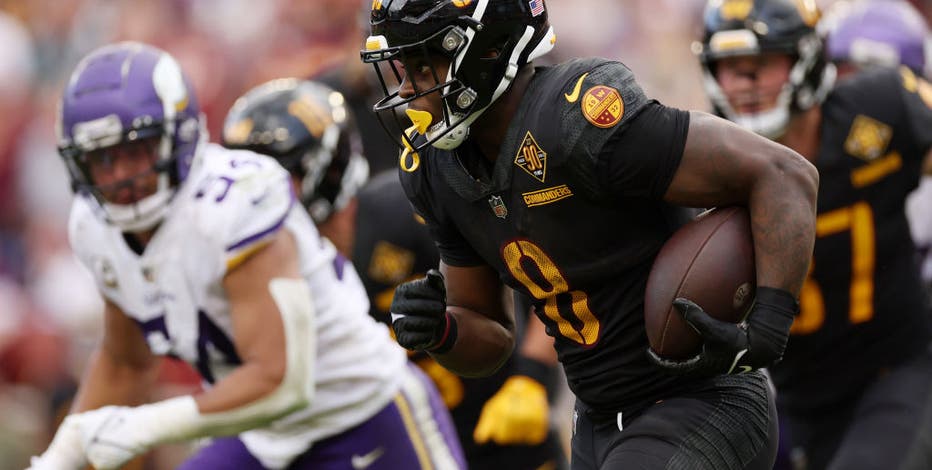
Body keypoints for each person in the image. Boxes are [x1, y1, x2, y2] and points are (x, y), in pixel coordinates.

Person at [360, 1, 819, 469]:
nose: (410, 90)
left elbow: (782, 172)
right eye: (403, 69)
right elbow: (491, 333)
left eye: (424, 65)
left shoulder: (575, 116)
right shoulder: (436, 170)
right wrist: (443, 330)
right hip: (597, 419)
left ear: (488, 49)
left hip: (697, 399)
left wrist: (767, 328)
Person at [28, 41, 465, 470]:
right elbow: (127, 362)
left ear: (178, 136)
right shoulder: (95, 225)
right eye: (103, 160)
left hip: (362, 414)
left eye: (134, 151)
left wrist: (145, 426)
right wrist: (62, 456)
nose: (121, 177)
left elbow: (281, 382)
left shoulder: (235, 202)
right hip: (266, 437)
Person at [222, 77, 569, 470]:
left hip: (500, 431)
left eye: (276, 176)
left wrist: (532, 380)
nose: (255, 195)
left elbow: (546, 275)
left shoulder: (406, 213)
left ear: (325, 166)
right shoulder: (255, 272)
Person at [697, 1, 932, 469]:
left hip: (894, 372)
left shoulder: (880, 108)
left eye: (761, 64)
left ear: (805, 58)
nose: (745, 83)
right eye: (730, 67)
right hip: (788, 401)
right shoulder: (702, 165)